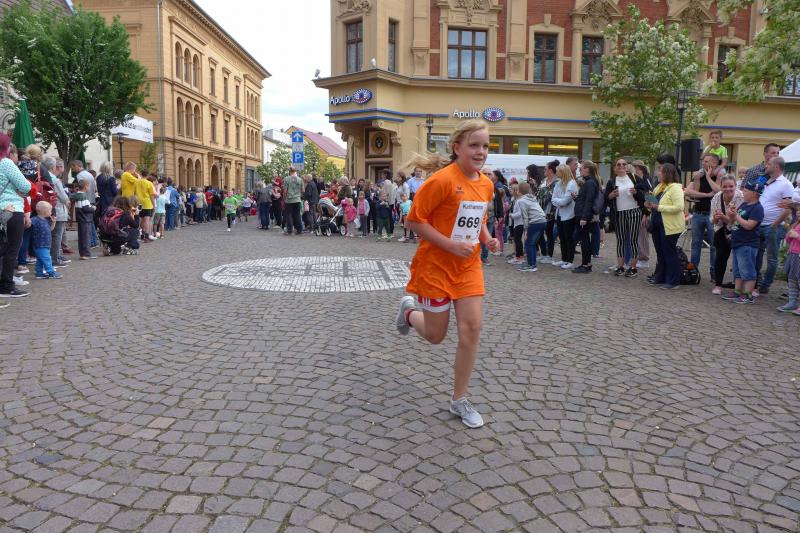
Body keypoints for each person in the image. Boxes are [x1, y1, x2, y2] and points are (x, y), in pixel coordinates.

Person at [395, 119, 499, 428]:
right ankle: (409, 313)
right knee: (435, 335)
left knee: (472, 329)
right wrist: (451, 245)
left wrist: (487, 238)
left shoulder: (486, 184)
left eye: (485, 146)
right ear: (457, 148)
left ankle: (459, 399)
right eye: (474, 145)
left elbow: (478, 219)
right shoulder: (440, 181)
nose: (481, 152)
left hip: (468, 267)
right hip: (436, 268)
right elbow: (414, 221)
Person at [753, 156, 794, 296]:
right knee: (756, 254)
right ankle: (755, 282)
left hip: (773, 226)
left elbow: (788, 208)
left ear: (776, 166)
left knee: (771, 257)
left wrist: (775, 224)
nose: (766, 165)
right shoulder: (765, 181)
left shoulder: (786, 184)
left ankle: (765, 285)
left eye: (769, 164)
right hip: (759, 224)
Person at [721, 180, 765, 304]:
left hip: (747, 243)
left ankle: (748, 295)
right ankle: (737, 291)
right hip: (737, 242)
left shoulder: (757, 208)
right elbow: (735, 221)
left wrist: (736, 216)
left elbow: (749, 225)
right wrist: (731, 215)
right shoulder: (744, 204)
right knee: (738, 270)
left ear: (754, 193)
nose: (742, 193)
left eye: (745, 191)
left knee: (747, 270)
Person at [0, 133, 32, 299]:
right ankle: (6, 286)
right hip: (11, 210)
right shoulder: (6, 163)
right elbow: (25, 186)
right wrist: (21, 190)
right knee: (11, 249)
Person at [645, 162, 685, 289]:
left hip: (669, 226)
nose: (657, 173)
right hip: (657, 223)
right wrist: (649, 204)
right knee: (660, 252)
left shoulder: (675, 188)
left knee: (669, 252)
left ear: (666, 173)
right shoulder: (659, 187)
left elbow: (679, 207)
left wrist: (659, 207)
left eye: (660, 171)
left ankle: (673, 281)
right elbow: (655, 203)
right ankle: (660, 276)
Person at [605, 158, 648, 277]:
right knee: (620, 240)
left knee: (633, 240)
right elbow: (606, 199)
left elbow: (645, 194)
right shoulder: (612, 182)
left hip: (634, 212)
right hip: (619, 213)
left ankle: (633, 267)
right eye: (618, 164)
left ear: (627, 166)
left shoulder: (634, 178)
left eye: (624, 164)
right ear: (615, 168)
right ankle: (620, 266)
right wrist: (611, 195)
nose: (621, 166)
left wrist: (636, 192)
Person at [685, 153, 724, 279]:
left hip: (712, 215)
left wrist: (707, 177)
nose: (703, 163)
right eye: (703, 161)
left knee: (714, 245)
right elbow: (689, 192)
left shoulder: (720, 176)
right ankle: (693, 271)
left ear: (714, 163)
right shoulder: (698, 176)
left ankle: (714, 272)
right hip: (698, 213)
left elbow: (718, 191)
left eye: (707, 161)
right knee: (695, 243)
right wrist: (706, 194)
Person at [710, 176, 744, 295]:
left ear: (735, 186)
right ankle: (718, 285)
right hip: (722, 230)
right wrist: (715, 218)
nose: (728, 189)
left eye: (731, 186)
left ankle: (744, 286)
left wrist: (725, 218)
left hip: (739, 230)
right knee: (720, 258)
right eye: (724, 186)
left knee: (740, 258)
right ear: (720, 187)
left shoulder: (742, 197)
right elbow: (713, 221)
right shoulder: (716, 197)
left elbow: (739, 220)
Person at [572, 160, 601, 274]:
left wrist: (584, 217)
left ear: (587, 169)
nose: (579, 170)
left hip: (583, 216)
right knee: (584, 240)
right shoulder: (589, 181)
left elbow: (589, 201)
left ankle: (586, 265)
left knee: (584, 240)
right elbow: (585, 199)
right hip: (582, 214)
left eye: (581, 168)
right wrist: (577, 198)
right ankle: (586, 264)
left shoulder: (590, 182)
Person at [551, 164, 578, 269]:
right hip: (560, 214)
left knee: (569, 238)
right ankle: (564, 259)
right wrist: (560, 202)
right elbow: (553, 199)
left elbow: (565, 201)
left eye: (558, 171)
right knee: (562, 238)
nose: (556, 173)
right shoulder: (559, 183)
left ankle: (570, 260)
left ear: (563, 172)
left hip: (569, 215)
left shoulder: (571, 184)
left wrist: (559, 201)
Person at [516, 181, 547, 272]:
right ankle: (531, 263)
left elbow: (525, 216)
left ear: (519, 191)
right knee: (531, 243)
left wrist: (525, 230)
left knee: (529, 243)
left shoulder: (521, 201)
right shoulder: (532, 198)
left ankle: (532, 265)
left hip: (535, 222)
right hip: (542, 220)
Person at [30, 202, 61, 280]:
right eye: (50, 210)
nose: (51, 212)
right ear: (45, 211)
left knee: (40, 260)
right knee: (47, 258)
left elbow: (50, 229)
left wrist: (53, 222)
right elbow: (28, 225)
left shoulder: (46, 220)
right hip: (39, 244)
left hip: (46, 244)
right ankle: (51, 272)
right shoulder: (34, 220)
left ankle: (39, 273)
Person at [632, 160, 654, 268]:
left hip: (644, 212)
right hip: (640, 211)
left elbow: (650, 197)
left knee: (643, 236)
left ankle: (644, 259)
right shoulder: (641, 181)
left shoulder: (646, 180)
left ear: (639, 169)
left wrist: (646, 214)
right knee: (639, 236)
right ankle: (640, 257)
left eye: (634, 169)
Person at [71, 160, 98, 247]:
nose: (72, 169)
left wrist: (76, 192)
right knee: (91, 222)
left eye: (73, 167)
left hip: (85, 200)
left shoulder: (80, 175)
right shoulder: (89, 174)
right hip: (91, 199)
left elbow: (81, 187)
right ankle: (94, 241)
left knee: (87, 224)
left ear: (77, 166)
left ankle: (91, 242)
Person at [536, 160, 558, 264]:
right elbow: (538, 194)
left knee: (549, 233)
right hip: (540, 211)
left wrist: (542, 192)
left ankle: (549, 255)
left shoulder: (556, 182)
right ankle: (544, 253)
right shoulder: (544, 181)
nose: (544, 171)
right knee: (540, 232)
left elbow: (550, 196)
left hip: (550, 212)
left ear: (551, 170)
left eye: (545, 169)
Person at [70, 179, 97, 259]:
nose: (89, 188)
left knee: (81, 237)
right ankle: (86, 254)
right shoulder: (83, 196)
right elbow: (85, 208)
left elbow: (72, 197)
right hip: (86, 219)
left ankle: (82, 253)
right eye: (89, 186)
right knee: (86, 237)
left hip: (80, 219)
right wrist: (93, 208)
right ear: (85, 187)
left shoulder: (76, 195)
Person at [778, 218, 800, 314]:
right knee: (792, 278)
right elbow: (788, 240)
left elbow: (797, 237)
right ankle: (792, 302)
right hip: (793, 254)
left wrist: (797, 236)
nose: (798, 213)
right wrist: (789, 234)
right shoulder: (797, 224)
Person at [135, 173, 156, 242]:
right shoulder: (149, 183)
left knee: (140, 220)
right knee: (147, 220)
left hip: (139, 203)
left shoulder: (136, 182)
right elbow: (151, 195)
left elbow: (134, 193)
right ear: (147, 175)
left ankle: (140, 235)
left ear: (141, 174)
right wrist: (153, 205)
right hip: (147, 203)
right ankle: (146, 237)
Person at [283, 170, 303, 235]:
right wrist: (299, 195)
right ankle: (299, 230)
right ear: (295, 172)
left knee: (289, 215)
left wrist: (284, 198)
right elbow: (303, 190)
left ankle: (290, 230)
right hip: (297, 199)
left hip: (289, 200)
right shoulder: (300, 179)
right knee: (297, 215)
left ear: (290, 172)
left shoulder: (286, 179)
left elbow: (285, 191)